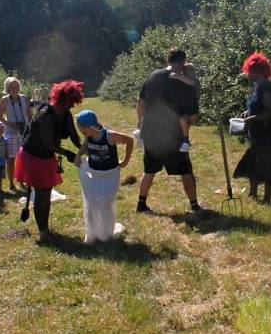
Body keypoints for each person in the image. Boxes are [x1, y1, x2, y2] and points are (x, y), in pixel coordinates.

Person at [135, 47, 203, 214]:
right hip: (173, 134)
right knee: (185, 170)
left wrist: (140, 123)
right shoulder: (185, 82)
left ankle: (141, 205)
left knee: (149, 170)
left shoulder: (152, 76)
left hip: (150, 131)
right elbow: (193, 116)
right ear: (183, 62)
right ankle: (194, 206)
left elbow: (140, 102)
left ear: (168, 60)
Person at [15, 80, 83, 239]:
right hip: (33, 156)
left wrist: (84, 149)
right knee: (41, 193)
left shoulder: (66, 114)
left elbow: (73, 135)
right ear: (63, 99)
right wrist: (67, 154)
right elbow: (48, 143)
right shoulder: (45, 114)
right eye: (72, 102)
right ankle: (43, 232)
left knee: (46, 192)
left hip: (46, 156)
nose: (73, 105)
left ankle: (45, 228)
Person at [233, 52, 271, 203]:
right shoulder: (257, 87)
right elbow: (257, 106)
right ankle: (253, 194)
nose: (247, 73)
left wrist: (252, 118)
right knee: (253, 163)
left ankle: (267, 199)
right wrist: (247, 113)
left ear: (260, 71)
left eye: (250, 71)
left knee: (269, 166)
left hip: (268, 134)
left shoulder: (267, 88)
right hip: (257, 134)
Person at [73, 109, 133, 243]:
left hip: (109, 176)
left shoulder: (109, 135)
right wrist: (78, 155)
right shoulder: (88, 135)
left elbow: (129, 140)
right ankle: (93, 233)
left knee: (105, 203)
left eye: (81, 127)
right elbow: (85, 145)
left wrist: (125, 161)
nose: (80, 130)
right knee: (91, 203)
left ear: (88, 127)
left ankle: (106, 231)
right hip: (94, 174)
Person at [0, 77, 32, 193]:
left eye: (17, 86)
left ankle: (23, 181)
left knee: (25, 159)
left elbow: (29, 115)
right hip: (11, 133)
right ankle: (11, 184)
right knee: (11, 159)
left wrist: (30, 127)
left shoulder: (25, 98)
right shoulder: (5, 100)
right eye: (12, 86)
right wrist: (10, 124)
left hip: (24, 132)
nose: (15, 88)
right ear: (8, 88)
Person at [168, 62, 200, 152]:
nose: (184, 73)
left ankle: (186, 140)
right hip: (185, 110)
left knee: (183, 120)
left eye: (186, 71)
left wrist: (177, 76)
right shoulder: (183, 80)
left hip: (192, 111)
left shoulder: (195, 81)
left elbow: (191, 82)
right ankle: (181, 141)